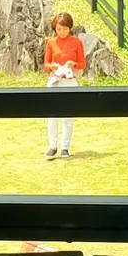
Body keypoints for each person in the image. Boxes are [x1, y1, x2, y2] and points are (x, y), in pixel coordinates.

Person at [42, 11, 85, 159]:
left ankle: (65, 147)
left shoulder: (77, 42)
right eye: (59, 29)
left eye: (65, 29)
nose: (62, 32)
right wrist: (51, 66)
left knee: (68, 116)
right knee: (52, 115)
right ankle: (52, 146)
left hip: (70, 80)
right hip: (55, 80)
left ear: (70, 28)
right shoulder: (51, 42)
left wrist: (73, 64)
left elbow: (82, 64)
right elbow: (45, 63)